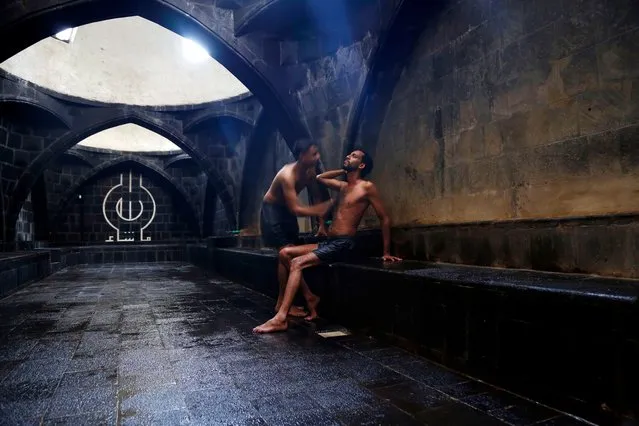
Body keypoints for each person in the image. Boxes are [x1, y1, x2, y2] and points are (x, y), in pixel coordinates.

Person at [253, 148, 402, 333]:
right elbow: (320, 178)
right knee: (284, 253)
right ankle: (310, 297)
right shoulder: (343, 187)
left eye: (354, 156)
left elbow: (384, 218)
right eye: (349, 154)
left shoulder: (367, 187)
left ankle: (281, 318)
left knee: (297, 263)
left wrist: (386, 252)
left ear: (362, 165)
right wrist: (343, 170)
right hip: (329, 242)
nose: (348, 156)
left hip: (344, 243)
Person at [260, 138, 333, 320]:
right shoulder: (287, 175)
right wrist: (321, 208)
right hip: (273, 211)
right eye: (314, 154)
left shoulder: (310, 170)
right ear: (302, 156)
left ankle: (283, 302)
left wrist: (321, 224)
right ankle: (305, 298)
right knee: (285, 251)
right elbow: (296, 209)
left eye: (318, 153)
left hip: (286, 211)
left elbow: (315, 195)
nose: (318, 157)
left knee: (287, 253)